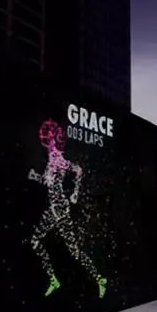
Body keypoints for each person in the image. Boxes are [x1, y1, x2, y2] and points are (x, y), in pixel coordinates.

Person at [26, 119, 107, 299]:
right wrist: (36, 177)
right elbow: (49, 183)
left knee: (44, 243)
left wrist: (76, 193)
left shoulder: (57, 159)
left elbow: (78, 170)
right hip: (55, 208)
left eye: (50, 138)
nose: (48, 142)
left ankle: (96, 279)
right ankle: (91, 279)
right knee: (67, 249)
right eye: (47, 138)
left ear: (54, 139)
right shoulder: (51, 160)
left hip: (59, 208)